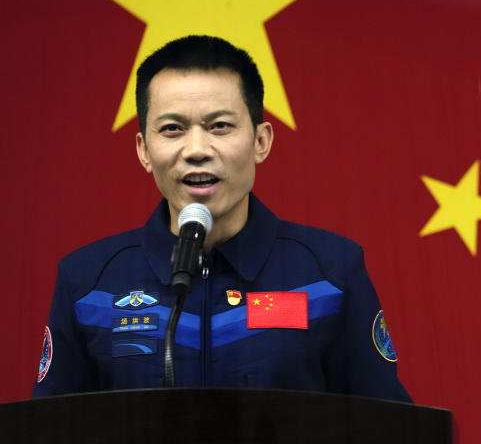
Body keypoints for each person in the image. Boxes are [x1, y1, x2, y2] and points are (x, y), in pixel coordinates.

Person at [33, 35, 410, 400]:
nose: (196, 150)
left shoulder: (330, 274)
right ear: (144, 150)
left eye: (220, 126)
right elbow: (49, 430)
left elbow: (389, 426)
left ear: (260, 142)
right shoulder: (87, 283)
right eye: (172, 129)